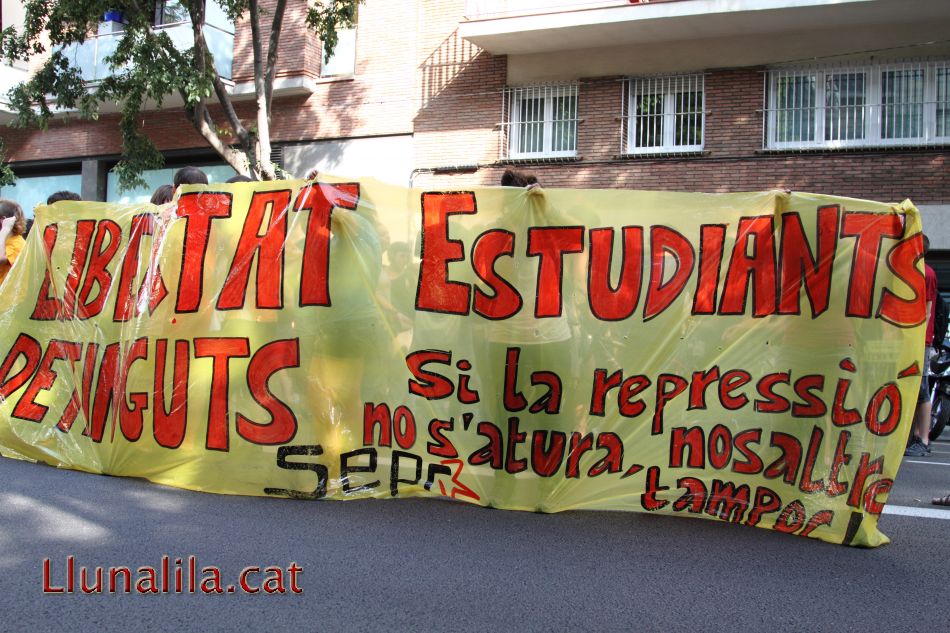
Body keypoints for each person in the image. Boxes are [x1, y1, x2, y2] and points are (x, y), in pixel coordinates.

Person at [906, 234, 938, 457]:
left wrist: (914, 338)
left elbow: (926, 311)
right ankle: (917, 437)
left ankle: (923, 439)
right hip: (913, 339)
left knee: (921, 387)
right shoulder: (917, 272)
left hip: (919, 340)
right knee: (914, 388)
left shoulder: (925, 273)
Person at [0, 199, 27, 288]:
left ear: (3, 220)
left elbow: (1, 258)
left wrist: (4, 230)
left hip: (7, 300)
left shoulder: (17, 243)